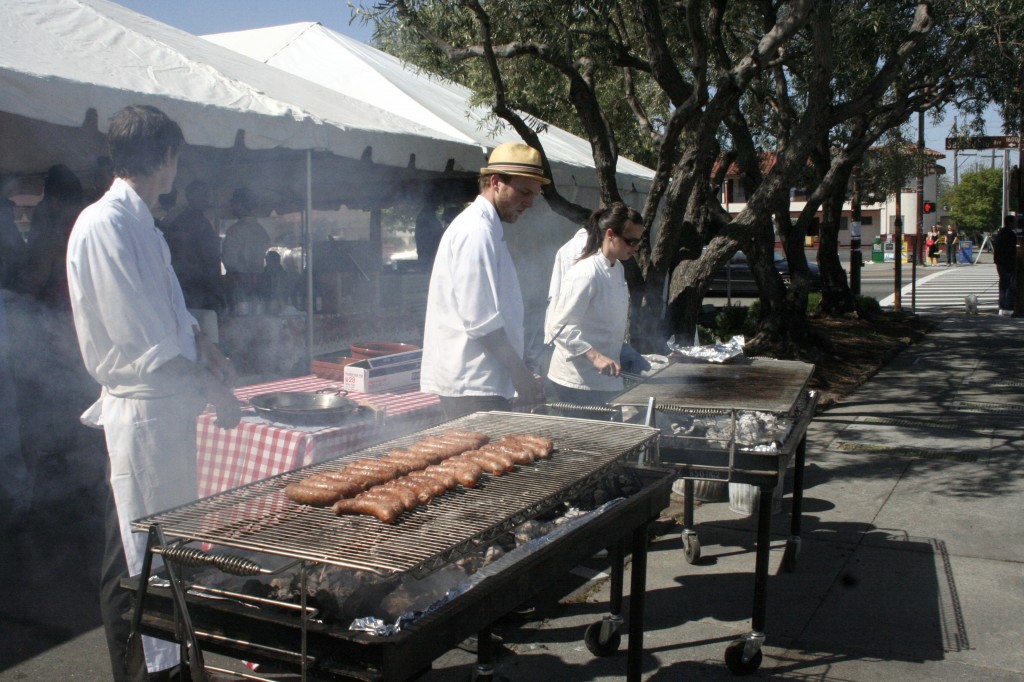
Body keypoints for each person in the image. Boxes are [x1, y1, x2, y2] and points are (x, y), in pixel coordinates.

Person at [65, 104, 241, 682]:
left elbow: (169, 314)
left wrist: (203, 344)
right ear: (166, 158)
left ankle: (178, 669)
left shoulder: (142, 222)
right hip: (141, 414)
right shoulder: (105, 224)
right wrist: (212, 386)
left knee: (162, 554)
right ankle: (147, 675)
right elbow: (144, 342)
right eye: (176, 159)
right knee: (136, 567)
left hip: (167, 415)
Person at [420, 142, 548, 419]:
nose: (529, 202)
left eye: (534, 194)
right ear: (495, 182)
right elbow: (480, 321)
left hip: (483, 381)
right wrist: (520, 373)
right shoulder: (476, 231)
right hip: (473, 384)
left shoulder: (487, 229)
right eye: (524, 192)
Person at [544, 203, 644, 405]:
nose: (634, 248)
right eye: (630, 241)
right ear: (610, 234)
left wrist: (622, 351)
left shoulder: (617, 269)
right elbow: (559, 327)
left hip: (605, 379)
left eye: (638, 242)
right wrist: (595, 356)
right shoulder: (586, 272)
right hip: (576, 382)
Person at [15, 164, 83, 309]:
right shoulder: (87, 225)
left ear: (53, 201)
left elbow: (34, 282)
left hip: (54, 316)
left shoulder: (51, 238)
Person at [164, 180, 225, 312]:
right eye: (202, 195)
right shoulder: (189, 223)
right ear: (190, 197)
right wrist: (216, 289)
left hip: (190, 287)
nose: (206, 199)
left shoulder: (183, 222)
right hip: (196, 289)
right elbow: (209, 259)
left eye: (206, 195)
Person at [221, 187, 270, 306]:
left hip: (238, 286)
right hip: (258, 285)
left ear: (240, 204)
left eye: (233, 203)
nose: (232, 206)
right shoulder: (262, 231)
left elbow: (229, 262)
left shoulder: (235, 231)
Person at [994, 215, 1017, 315]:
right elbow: (1012, 249)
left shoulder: (1000, 233)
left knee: (1003, 283)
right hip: (1008, 262)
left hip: (1000, 262)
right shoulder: (1010, 234)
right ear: (1011, 223)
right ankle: (1008, 306)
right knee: (1009, 284)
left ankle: (1002, 305)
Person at [414, 195, 444, 268]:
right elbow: (427, 236)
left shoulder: (428, 216)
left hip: (430, 252)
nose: (437, 207)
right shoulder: (424, 216)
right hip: (428, 253)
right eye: (436, 204)